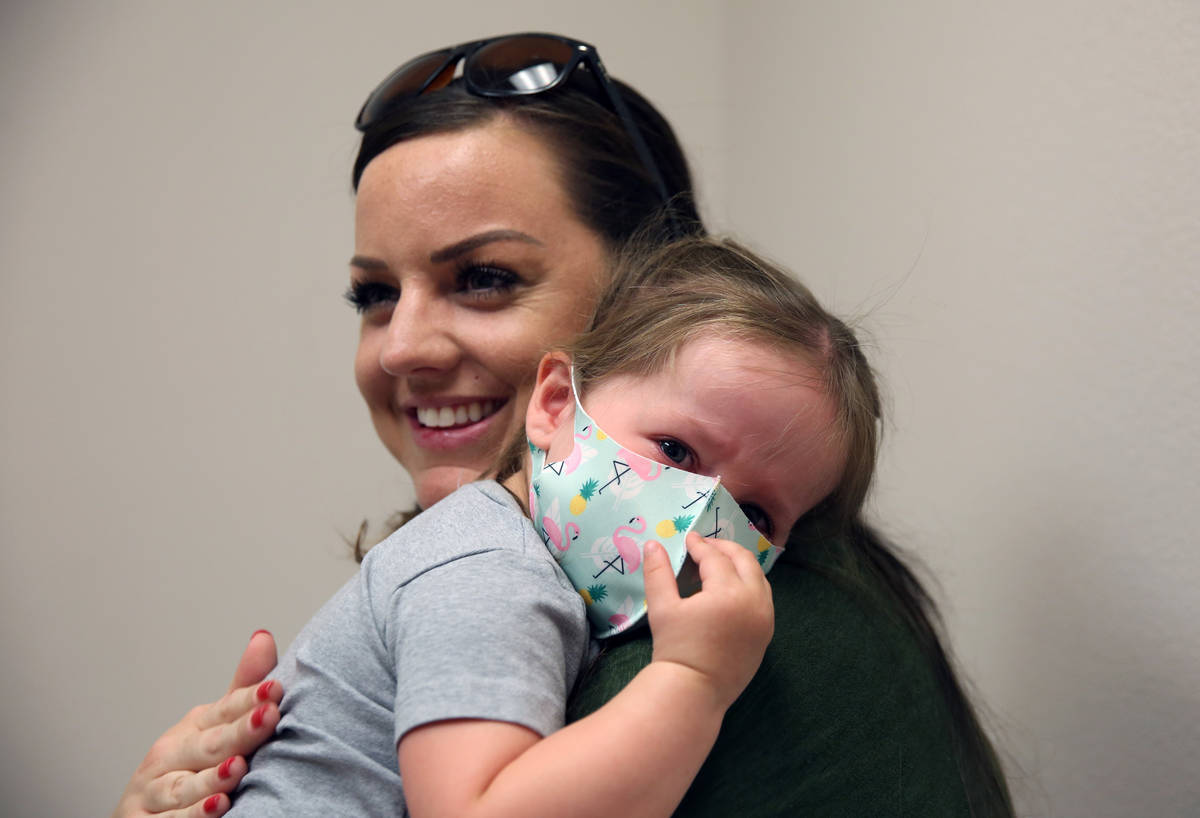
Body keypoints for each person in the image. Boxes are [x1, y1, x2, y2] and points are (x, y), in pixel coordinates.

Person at [112, 32, 1013, 818]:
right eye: (375, 295)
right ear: (556, 399)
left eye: (485, 277)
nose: (401, 350)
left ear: (657, 287)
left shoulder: (750, 639)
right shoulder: (490, 572)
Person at [224, 234, 865, 817]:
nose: (698, 517)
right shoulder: (485, 573)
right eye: (675, 450)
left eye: (752, 514)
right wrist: (695, 681)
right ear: (556, 403)